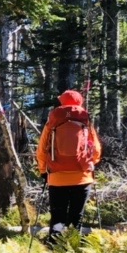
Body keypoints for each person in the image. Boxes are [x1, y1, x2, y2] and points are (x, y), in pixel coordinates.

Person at [35, 89, 101, 239]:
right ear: (80, 102)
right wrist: (91, 163)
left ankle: (55, 245)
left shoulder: (53, 121)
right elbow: (96, 149)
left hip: (57, 177)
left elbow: (41, 150)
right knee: (76, 215)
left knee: (58, 215)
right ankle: (72, 247)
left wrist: (43, 171)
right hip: (82, 178)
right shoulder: (85, 120)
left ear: (61, 101)